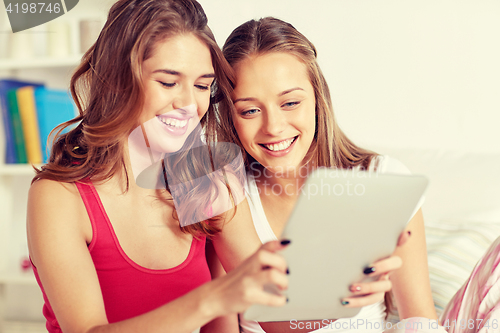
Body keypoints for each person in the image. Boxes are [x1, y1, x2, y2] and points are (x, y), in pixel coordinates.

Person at [217, 17, 500, 333]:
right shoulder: (224, 196)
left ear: (317, 100)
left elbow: (418, 319)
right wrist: (341, 297)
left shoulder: (382, 180)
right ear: (231, 114)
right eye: (250, 110)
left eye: (291, 102)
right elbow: (257, 320)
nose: (273, 126)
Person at [26, 2, 289, 332]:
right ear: (118, 79)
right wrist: (211, 299)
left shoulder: (209, 180)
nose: (189, 105)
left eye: (202, 85)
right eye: (168, 83)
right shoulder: (58, 196)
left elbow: (279, 316)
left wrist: (355, 289)